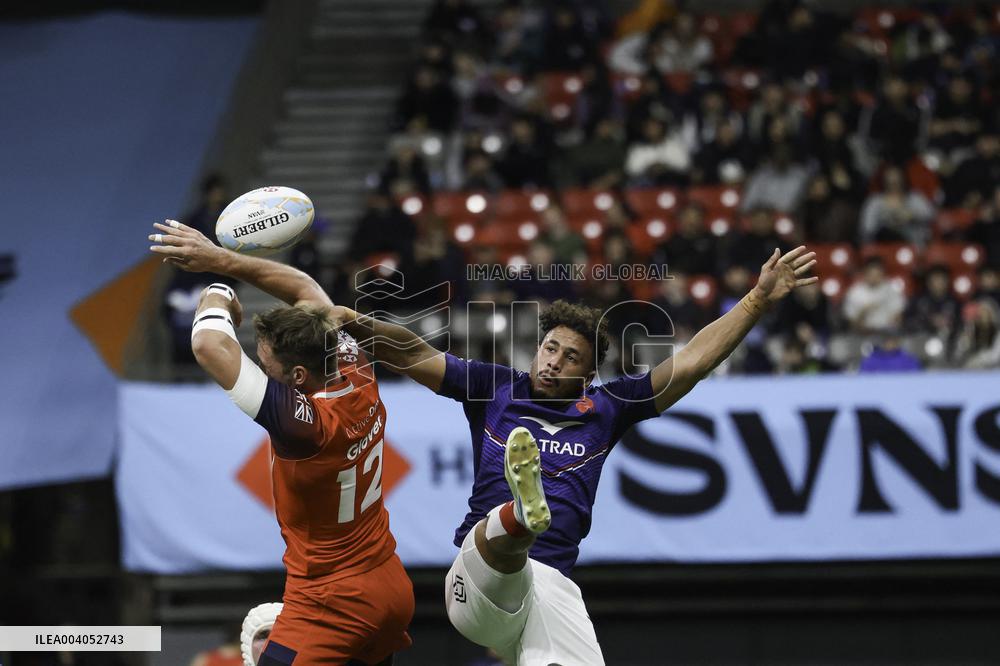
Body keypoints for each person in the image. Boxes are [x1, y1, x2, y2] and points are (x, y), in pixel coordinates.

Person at [331, 246, 817, 664]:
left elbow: (690, 363)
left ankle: (523, 513)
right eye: (550, 347)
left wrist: (755, 301)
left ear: (587, 377)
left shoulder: (606, 408)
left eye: (570, 358)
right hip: (475, 580)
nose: (553, 360)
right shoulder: (495, 388)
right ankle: (520, 515)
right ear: (536, 348)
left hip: (548, 589)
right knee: (503, 539)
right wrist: (357, 323)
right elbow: (414, 352)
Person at [148, 220, 414, 666]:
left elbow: (211, 346)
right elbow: (306, 290)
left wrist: (217, 288)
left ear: (297, 378)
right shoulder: (354, 367)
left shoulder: (305, 427)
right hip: (388, 583)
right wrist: (221, 257)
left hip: (331, 599)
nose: (260, 367)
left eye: (267, 365)